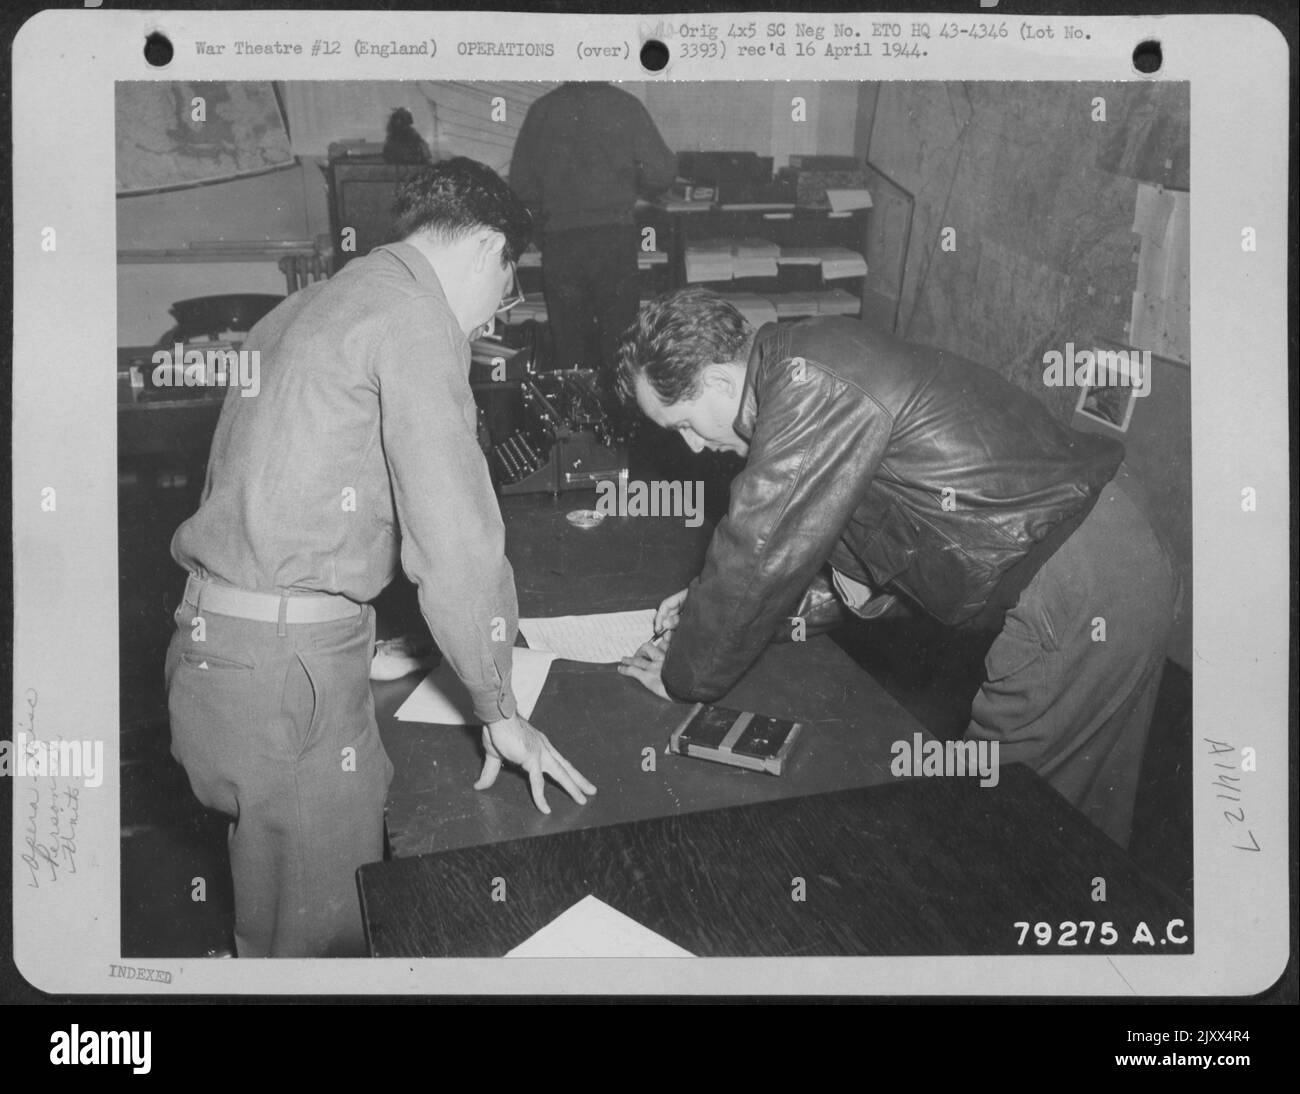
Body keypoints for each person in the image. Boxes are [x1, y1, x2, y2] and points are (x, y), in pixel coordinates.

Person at [166, 158, 596, 958]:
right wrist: (499, 709)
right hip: (290, 678)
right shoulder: (415, 317)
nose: (489, 318)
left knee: (270, 926)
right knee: (330, 944)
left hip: (214, 654)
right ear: (490, 251)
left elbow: (266, 487)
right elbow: (457, 540)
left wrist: (357, 629)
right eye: (506, 290)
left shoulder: (304, 306)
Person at [614, 288, 1176, 848]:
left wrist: (683, 673)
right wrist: (709, 609)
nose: (689, 447)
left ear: (715, 381)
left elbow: (755, 547)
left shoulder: (806, 382)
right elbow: (824, 562)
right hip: (1111, 548)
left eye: (682, 423)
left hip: (1076, 581)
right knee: (1081, 818)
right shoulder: (804, 358)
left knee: (1003, 830)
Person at [509, 81, 676, 377]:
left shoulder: (543, 109)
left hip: (561, 243)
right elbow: (661, 173)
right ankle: (620, 420)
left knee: (569, 348)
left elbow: (521, 186)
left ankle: (576, 421)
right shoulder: (625, 104)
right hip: (614, 240)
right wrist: (630, 184)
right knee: (622, 347)